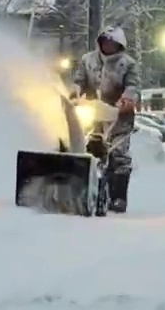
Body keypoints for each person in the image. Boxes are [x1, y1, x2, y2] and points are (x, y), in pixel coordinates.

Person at [71, 25, 140, 213]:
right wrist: (75, 92)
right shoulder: (88, 60)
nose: (108, 46)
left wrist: (127, 99)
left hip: (119, 115)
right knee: (89, 149)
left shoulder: (127, 64)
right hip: (93, 111)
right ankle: (87, 190)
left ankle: (118, 197)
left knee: (119, 155)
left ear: (119, 45)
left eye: (112, 43)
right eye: (105, 42)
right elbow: (79, 80)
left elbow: (133, 85)